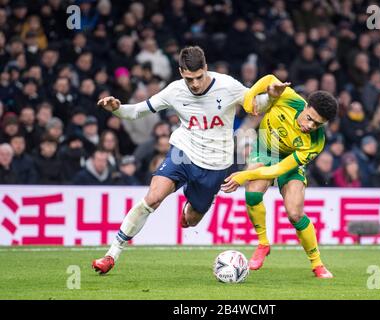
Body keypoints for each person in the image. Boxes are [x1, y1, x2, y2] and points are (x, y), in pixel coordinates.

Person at [92, 46, 271, 274]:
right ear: (180, 72)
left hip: (216, 164)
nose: (194, 84)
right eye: (189, 78)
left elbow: (256, 104)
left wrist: (271, 95)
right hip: (182, 152)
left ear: (206, 68)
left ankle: (189, 206)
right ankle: (111, 254)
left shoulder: (227, 85)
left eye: (198, 77)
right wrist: (117, 109)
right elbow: (137, 111)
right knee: (153, 198)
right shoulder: (175, 91)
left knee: (192, 219)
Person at [221, 74, 338, 278]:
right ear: (305, 106)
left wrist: (244, 175)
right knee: (253, 193)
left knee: (295, 214)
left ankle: (317, 263)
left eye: (317, 124)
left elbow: (278, 170)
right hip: (265, 149)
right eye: (310, 118)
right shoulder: (290, 98)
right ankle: (263, 243)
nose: (310, 126)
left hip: (288, 163)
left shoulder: (316, 142)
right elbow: (268, 79)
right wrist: (250, 98)